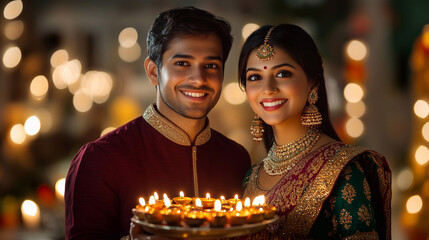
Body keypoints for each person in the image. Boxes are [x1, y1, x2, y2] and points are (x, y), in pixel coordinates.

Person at [65, 7, 250, 240]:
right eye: (182, 63)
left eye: (211, 65)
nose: (199, 79)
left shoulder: (236, 158)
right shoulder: (101, 158)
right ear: (153, 71)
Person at [238, 24, 391, 239]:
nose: (267, 88)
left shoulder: (344, 170)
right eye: (255, 77)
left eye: (283, 73)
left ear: (313, 83)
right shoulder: (250, 177)